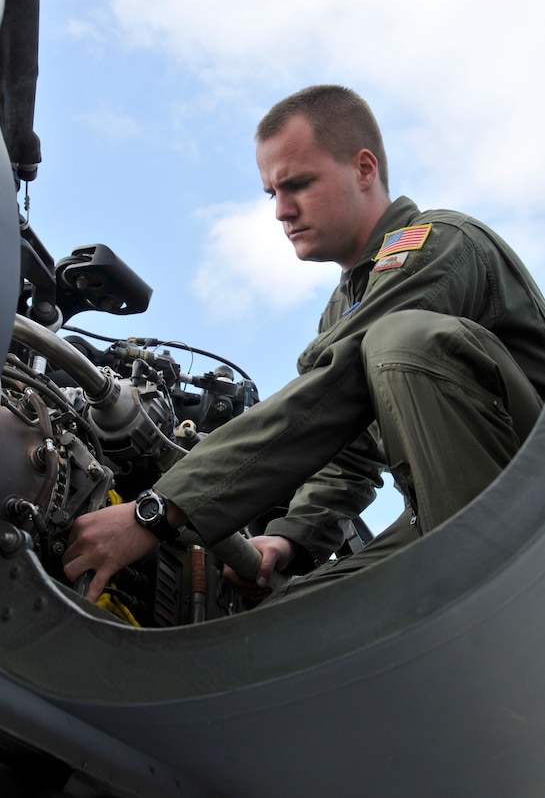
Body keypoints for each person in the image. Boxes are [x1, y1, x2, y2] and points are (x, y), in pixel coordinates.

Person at [63, 84, 545, 604]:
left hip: (523, 497)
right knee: (287, 626)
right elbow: (350, 454)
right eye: (273, 193)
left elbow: (334, 389)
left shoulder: (439, 244)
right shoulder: (343, 308)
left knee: (400, 336)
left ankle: (492, 600)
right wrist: (291, 538)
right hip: (442, 515)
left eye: (299, 185)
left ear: (365, 170)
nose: (281, 211)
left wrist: (157, 511)